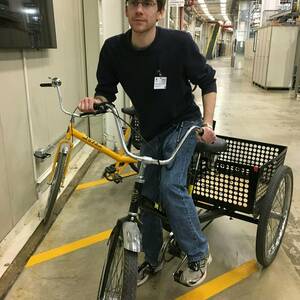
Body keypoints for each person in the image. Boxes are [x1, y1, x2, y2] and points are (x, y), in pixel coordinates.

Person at [78, 0, 217, 287]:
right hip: (152, 132)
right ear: (127, 10)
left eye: (148, 3)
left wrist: (208, 122)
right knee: (146, 196)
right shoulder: (113, 49)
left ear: (160, 11)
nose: (140, 10)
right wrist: (95, 103)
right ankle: (152, 260)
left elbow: (207, 81)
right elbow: (105, 93)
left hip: (184, 124)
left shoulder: (179, 43)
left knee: (170, 186)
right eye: (134, 4)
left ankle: (199, 254)